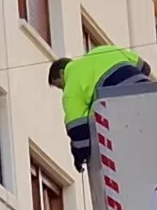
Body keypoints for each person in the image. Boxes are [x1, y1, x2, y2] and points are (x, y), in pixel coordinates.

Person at [49, 43, 149, 171]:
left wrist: (79, 158)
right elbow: (145, 67)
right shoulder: (102, 50)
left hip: (120, 106)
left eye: (60, 86)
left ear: (62, 73)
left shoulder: (71, 87)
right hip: (145, 91)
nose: (63, 89)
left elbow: (78, 129)